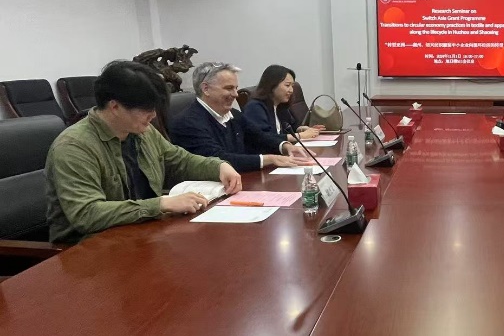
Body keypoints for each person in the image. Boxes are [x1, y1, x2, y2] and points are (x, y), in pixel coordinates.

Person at [45, 60, 242, 244]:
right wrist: (161, 204)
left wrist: (218, 166)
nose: (153, 116)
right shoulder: (74, 147)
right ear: (115, 106)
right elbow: (87, 214)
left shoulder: (142, 131)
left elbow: (179, 160)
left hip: (141, 233)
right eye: (146, 109)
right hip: (89, 248)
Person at [170, 62, 305, 172]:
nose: (236, 94)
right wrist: (270, 159)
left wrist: (284, 146)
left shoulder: (234, 115)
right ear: (206, 89)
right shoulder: (187, 123)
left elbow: (259, 136)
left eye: (236, 88)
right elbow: (218, 159)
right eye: (229, 88)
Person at [242, 65, 323, 145]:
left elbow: (290, 127)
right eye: (287, 85)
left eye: (292, 86)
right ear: (272, 85)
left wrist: (302, 129)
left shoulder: (280, 106)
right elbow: (264, 138)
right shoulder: (255, 107)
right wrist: (300, 136)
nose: (291, 90)